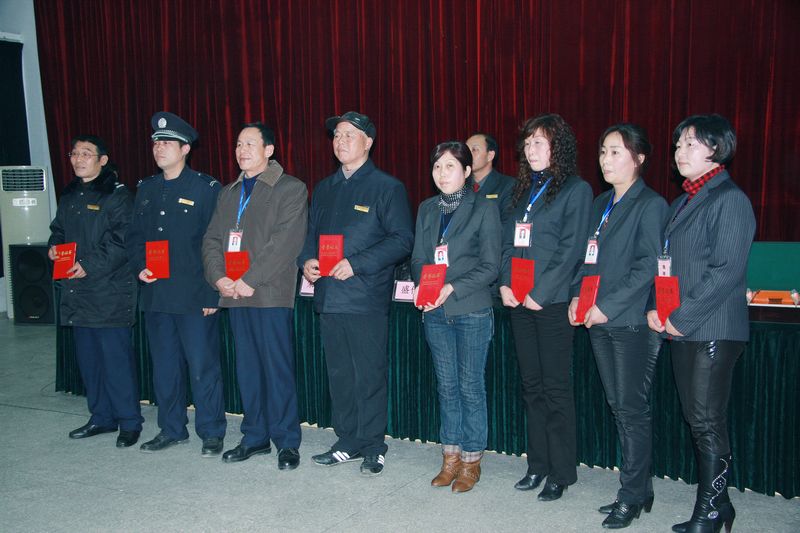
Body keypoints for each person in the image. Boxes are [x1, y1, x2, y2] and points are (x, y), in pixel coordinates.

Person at [647, 114, 755, 533]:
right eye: (678, 145)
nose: (680, 151)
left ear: (717, 148)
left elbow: (725, 271)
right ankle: (721, 504)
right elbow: (667, 266)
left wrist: (680, 317)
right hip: (681, 326)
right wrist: (657, 308)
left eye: (690, 143)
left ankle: (709, 512)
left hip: (713, 327)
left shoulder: (730, 199)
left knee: (707, 421)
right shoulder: (682, 202)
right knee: (696, 419)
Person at [298, 111, 414, 476]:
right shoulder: (325, 188)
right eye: (337, 135)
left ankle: (373, 445)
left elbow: (402, 240)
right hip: (329, 296)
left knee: (368, 374)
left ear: (368, 142)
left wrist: (357, 263)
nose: (341, 140)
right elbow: (310, 235)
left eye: (350, 134)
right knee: (340, 375)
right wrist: (306, 261)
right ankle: (347, 439)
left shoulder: (387, 187)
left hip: (365, 297)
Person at [568, 124, 668, 528]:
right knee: (619, 406)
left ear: (638, 159)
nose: (605, 160)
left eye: (615, 152)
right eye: (603, 152)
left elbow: (647, 267)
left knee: (631, 408)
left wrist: (606, 307)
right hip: (597, 317)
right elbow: (586, 259)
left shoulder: (651, 204)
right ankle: (640, 487)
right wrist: (577, 296)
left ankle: (631, 494)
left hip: (629, 322)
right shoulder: (600, 204)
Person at [202, 122, 308, 469]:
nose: (242, 150)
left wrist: (249, 279)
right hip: (234, 293)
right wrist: (219, 278)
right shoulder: (228, 193)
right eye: (238, 144)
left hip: (269, 293)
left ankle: (287, 441)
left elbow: (286, 242)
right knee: (247, 368)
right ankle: (255, 436)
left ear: (269, 150)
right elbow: (212, 240)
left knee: (276, 368)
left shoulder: (290, 188)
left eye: (250, 144)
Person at [498, 113, 592, 501]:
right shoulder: (520, 190)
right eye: (527, 142)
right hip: (519, 300)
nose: (531, 148)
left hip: (550, 302)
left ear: (558, 147)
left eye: (539, 142)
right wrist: (505, 283)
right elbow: (507, 244)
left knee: (555, 388)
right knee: (531, 386)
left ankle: (561, 471)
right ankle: (537, 464)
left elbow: (571, 249)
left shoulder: (576, 190)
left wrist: (541, 291)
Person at [126, 112, 227, 456]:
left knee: (202, 367)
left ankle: (211, 430)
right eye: (156, 142)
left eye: (167, 143)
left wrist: (213, 292)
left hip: (194, 295)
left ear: (185, 149)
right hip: (157, 294)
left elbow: (215, 243)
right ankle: (171, 429)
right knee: (165, 368)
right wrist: (140, 266)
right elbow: (135, 237)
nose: (159, 148)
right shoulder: (146, 188)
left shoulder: (205, 188)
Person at [411, 141, 501, 492]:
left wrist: (451, 287)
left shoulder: (484, 207)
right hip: (435, 311)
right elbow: (419, 258)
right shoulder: (427, 208)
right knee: (446, 386)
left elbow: (491, 266)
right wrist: (424, 287)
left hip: (471, 309)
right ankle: (450, 457)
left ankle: (471, 461)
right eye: (437, 166)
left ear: (466, 171)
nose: (442, 173)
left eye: (450, 166)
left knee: (470, 386)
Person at [49, 135, 143, 448]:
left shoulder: (117, 195)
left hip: (109, 292)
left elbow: (121, 241)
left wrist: (88, 264)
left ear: (102, 160)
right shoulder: (70, 194)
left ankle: (129, 422)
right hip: (77, 292)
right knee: (89, 362)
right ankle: (101, 417)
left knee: (116, 362)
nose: (78, 159)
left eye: (86, 153)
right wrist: (54, 248)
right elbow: (58, 230)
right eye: (74, 153)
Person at [465, 133, 515, 218]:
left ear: (490, 155)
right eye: (466, 151)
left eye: (474, 150)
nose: (468, 155)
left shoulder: (508, 185)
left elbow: (508, 221)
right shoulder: (460, 185)